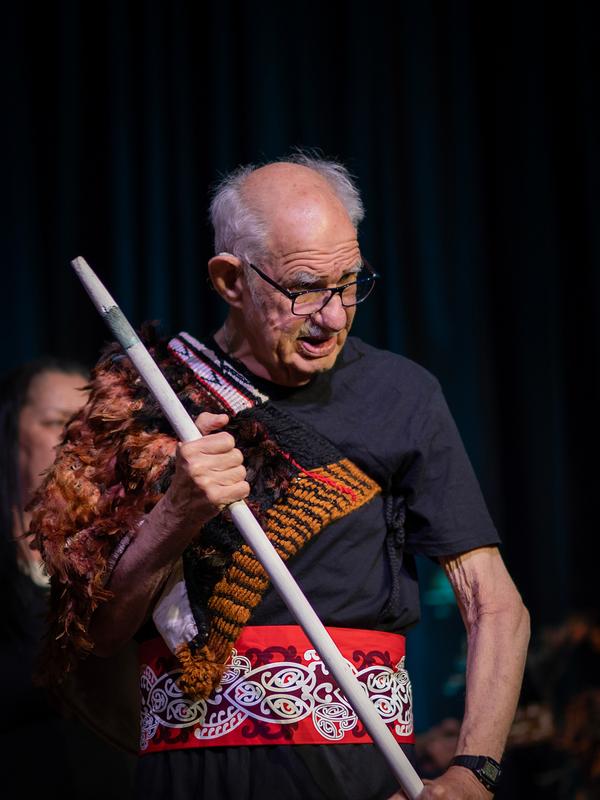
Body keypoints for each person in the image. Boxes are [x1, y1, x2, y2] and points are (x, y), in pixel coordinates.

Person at [30, 153, 530, 800]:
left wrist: (475, 770)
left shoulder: (404, 395)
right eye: (303, 288)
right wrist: (176, 514)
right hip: (194, 779)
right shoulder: (144, 404)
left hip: (361, 774)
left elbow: (495, 604)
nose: (332, 316)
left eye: (349, 281)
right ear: (230, 280)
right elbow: (96, 636)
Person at [0, 357, 137, 798]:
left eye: (91, 426)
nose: (75, 439)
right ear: (9, 436)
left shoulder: (124, 560)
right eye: (57, 422)